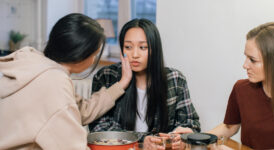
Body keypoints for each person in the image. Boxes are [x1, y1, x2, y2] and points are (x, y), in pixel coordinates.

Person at [0, 13, 132, 150]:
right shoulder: (53, 83)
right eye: (95, 54)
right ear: (80, 54)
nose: (94, 59)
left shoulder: (36, 66)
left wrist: (121, 84)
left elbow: (82, 110)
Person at [89, 18, 201, 149]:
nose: (135, 54)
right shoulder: (106, 76)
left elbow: (192, 124)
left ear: (155, 49)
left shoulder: (175, 79)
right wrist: (141, 142)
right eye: (128, 47)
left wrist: (182, 139)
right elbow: (98, 128)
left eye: (143, 47)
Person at [208, 22, 274, 150]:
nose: (245, 65)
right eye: (246, 57)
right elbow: (229, 127)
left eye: (253, 60)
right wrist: (194, 138)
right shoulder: (241, 89)